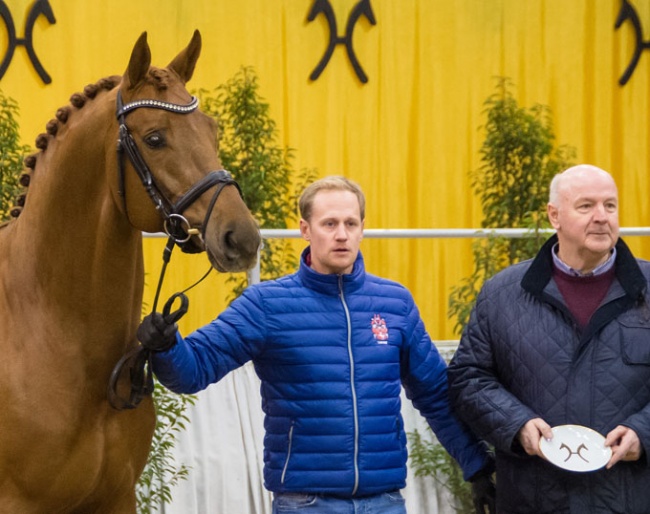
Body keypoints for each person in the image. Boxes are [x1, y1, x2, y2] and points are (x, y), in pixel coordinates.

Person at [138, 175, 495, 514]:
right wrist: (166, 346)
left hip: (385, 501)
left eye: (351, 224)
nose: (342, 235)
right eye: (329, 224)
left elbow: (435, 394)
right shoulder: (267, 305)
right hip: (306, 503)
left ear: (362, 228)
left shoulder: (394, 303)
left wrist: (478, 468)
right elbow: (194, 369)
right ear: (305, 230)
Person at [448, 164, 650, 514]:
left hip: (631, 496)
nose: (602, 217)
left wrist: (644, 433)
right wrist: (516, 425)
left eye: (610, 206)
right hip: (534, 498)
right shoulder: (503, 294)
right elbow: (469, 377)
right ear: (554, 216)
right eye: (586, 206)